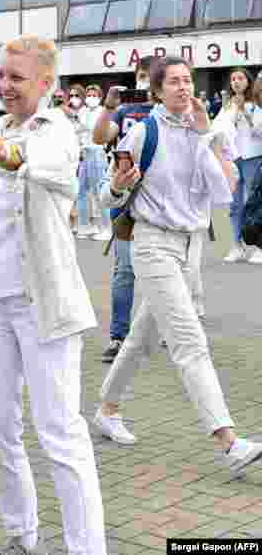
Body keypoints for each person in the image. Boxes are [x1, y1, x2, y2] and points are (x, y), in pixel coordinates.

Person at [0, 35, 106, 555]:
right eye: (1, 75)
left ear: (46, 84)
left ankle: (87, 549)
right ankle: (21, 535)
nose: (4, 86)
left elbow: (52, 172)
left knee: (59, 432)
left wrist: (8, 154)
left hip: (42, 304)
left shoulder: (59, 132)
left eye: (17, 78)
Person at [95, 57, 262, 475]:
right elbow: (107, 195)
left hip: (191, 250)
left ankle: (107, 407)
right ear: (157, 91)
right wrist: (116, 185)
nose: (184, 88)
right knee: (189, 341)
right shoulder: (141, 133)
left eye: (188, 81)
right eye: (174, 82)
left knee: (140, 339)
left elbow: (226, 190)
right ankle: (227, 440)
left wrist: (207, 136)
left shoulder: (198, 131)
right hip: (152, 245)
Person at [92, 55, 158, 364]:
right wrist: (108, 107)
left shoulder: (168, 109)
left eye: (152, 76)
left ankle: (167, 329)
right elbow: (99, 137)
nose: (145, 81)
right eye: (142, 75)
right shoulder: (124, 110)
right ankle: (119, 335)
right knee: (125, 269)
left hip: (160, 200)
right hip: (124, 196)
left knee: (165, 270)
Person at [215, 69, 262, 263]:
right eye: (233, 79)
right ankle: (236, 244)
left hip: (253, 156)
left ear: (248, 81)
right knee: (234, 205)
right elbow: (218, 129)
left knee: (255, 203)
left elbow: (259, 131)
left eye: (240, 78)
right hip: (232, 159)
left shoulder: (257, 103)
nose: (236, 82)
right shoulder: (227, 105)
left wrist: (245, 112)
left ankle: (259, 246)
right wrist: (233, 111)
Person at [76, 85, 110, 241]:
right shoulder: (82, 111)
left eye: (94, 95)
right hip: (84, 153)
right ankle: (85, 225)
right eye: (88, 94)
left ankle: (106, 227)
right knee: (81, 191)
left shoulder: (102, 112)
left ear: (100, 97)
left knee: (99, 191)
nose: (90, 97)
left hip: (96, 152)